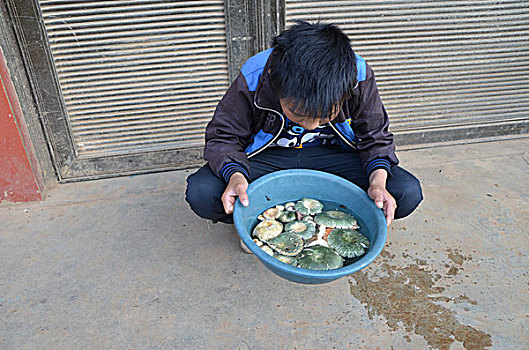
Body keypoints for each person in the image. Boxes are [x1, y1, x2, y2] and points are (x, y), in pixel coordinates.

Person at [185, 21, 423, 242]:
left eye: (326, 115)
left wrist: (378, 182)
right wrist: (236, 177)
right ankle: (256, 223)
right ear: (275, 84)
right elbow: (223, 136)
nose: (312, 126)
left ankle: (328, 225)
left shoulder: (357, 76)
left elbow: (376, 137)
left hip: (333, 158)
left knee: (405, 192)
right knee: (203, 193)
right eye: (299, 115)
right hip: (270, 159)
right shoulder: (256, 75)